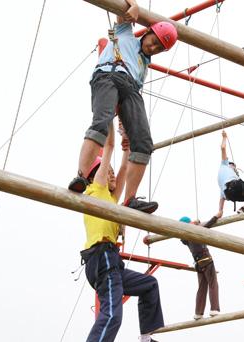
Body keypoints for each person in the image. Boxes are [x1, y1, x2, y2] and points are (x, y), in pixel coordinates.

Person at [67, 122, 164, 342]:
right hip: (101, 258)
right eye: (105, 173)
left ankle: (145, 341)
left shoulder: (110, 197)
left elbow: (123, 170)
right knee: (112, 315)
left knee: (149, 284)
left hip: (113, 262)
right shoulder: (94, 192)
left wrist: (127, 145)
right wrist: (109, 116)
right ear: (94, 176)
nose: (111, 176)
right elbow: (107, 150)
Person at [68, 0, 178, 215]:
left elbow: (130, 101)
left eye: (158, 48)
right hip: (109, 75)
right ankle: (81, 177)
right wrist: (133, 4)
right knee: (101, 123)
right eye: (153, 41)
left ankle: (130, 199)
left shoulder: (143, 64)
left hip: (131, 89)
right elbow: (121, 8)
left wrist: (127, 126)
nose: (152, 48)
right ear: (147, 33)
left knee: (144, 143)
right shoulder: (126, 33)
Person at [179, 215, 220, 320]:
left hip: (199, 264)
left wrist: (195, 222)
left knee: (202, 288)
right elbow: (207, 226)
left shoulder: (184, 238)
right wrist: (216, 217)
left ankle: (198, 313)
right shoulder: (194, 232)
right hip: (206, 260)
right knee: (213, 284)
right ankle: (214, 309)